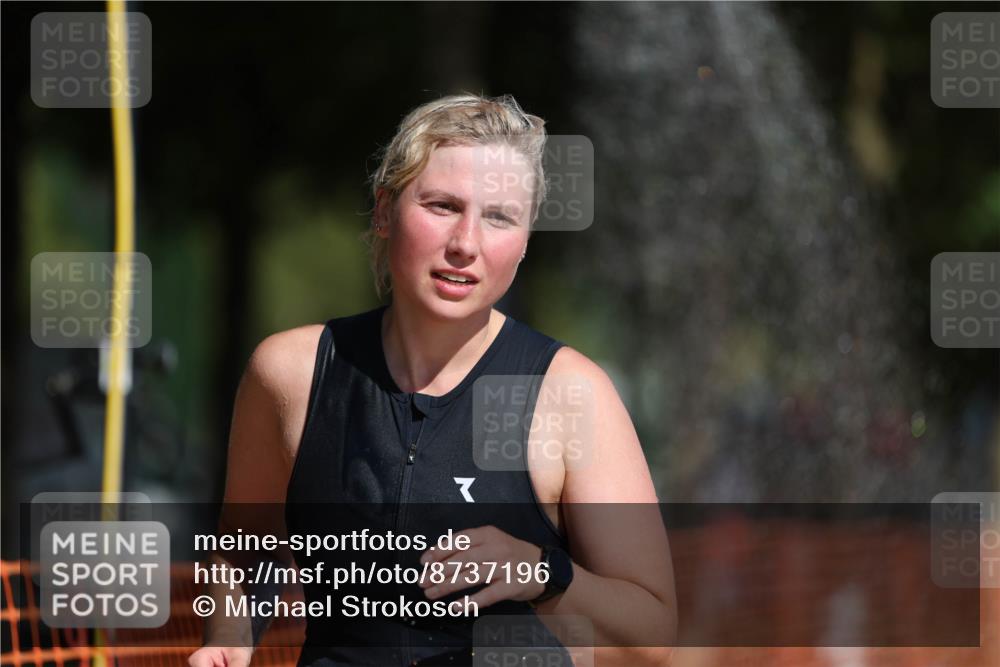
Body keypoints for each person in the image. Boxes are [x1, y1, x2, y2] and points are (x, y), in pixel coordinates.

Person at [188, 93, 676, 667]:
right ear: (383, 211)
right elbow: (246, 549)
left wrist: (541, 572)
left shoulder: (571, 396)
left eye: (499, 217)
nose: (466, 244)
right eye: (442, 205)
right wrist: (226, 640)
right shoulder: (289, 373)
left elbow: (652, 639)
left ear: (524, 243)